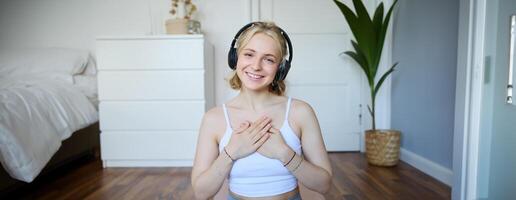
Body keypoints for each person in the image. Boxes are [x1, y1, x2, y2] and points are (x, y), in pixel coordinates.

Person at [191, 21, 332, 200]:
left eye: (269, 59)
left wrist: (284, 153)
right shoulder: (214, 119)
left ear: (280, 69)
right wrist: (232, 151)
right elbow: (201, 192)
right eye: (249, 54)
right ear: (235, 58)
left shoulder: (301, 112)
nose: (256, 66)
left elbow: (324, 185)